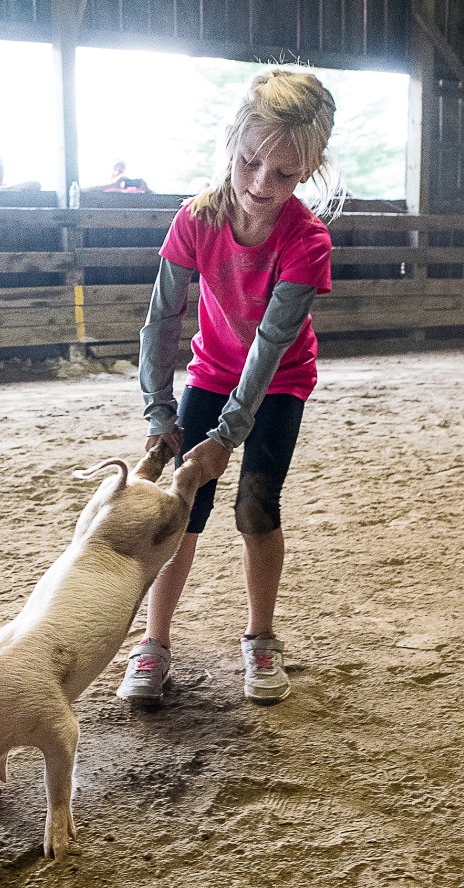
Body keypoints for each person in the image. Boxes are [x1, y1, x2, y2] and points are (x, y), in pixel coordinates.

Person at [117, 68, 342, 706]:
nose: (258, 185)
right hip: (213, 371)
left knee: (255, 504)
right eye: (249, 163)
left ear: (310, 169)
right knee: (182, 507)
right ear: (231, 145)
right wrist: (160, 412)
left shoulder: (307, 241)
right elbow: (162, 321)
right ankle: (154, 644)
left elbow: (272, 345)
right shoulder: (195, 220)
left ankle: (260, 638)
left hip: (278, 382)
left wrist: (225, 436)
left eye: (284, 174)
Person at [83, 160, 150, 193]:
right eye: (116, 168)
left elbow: (159, 199)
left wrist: (147, 190)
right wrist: (113, 184)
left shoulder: (131, 190)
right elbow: (83, 190)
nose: (118, 171)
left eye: (122, 168)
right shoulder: (101, 186)